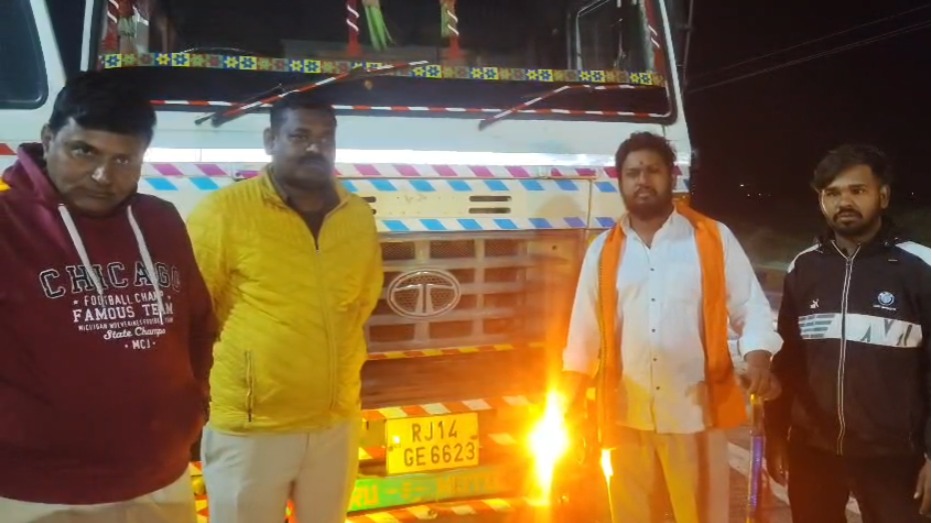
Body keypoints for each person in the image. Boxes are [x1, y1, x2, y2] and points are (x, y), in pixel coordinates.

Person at [0, 71, 214, 522]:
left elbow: (197, 325)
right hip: (39, 492)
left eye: (124, 159)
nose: (102, 176)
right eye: (84, 151)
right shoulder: (8, 225)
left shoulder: (160, 221)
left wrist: (191, 408)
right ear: (48, 138)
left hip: (163, 478)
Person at [559, 132, 782, 523]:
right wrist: (571, 405)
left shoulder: (711, 238)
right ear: (620, 181)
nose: (643, 180)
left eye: (653, 171)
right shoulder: (603, 251)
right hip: (626, 419)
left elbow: (750, 307)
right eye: (633, 173)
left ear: (672, 175)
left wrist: (759, 358)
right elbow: (583, 335)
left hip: (695, 417)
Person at [187, 93, 383, 523]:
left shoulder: (355, 215)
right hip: (252, 428)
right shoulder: (225, 212)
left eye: (325, 138)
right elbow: (192, 312)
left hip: (335, 422)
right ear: (270, 140)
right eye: (299, 136)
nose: (315, 148)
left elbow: (360, 302)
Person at [764, 144, 930, 522]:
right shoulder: (803, 268)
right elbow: (787, 361)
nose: (844, 202)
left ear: (882, 196)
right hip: (813, 451)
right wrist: (775, 432)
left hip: (895, 458)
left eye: (857, 190)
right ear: (821, 201)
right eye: (833, 193)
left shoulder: (919, 269)